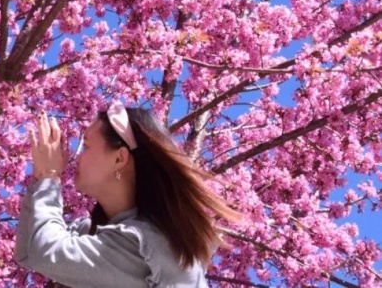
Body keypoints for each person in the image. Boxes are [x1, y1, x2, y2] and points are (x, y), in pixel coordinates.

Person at [14, 102, 241, 287]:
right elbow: (27, 252)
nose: (76, 157)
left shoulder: (144, 244)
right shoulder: (113, 233)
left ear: (119, 159)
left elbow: (44, 252)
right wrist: (40, 177)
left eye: (87, 146)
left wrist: (50, 175)